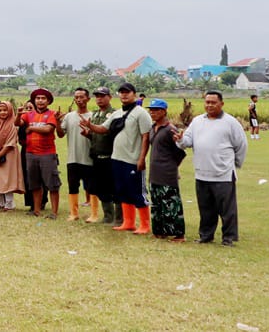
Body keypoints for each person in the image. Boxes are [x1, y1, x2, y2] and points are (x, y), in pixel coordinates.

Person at [175, 90, 248, 246]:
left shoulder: (230, 122)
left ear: (221, 104)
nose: (209, 105)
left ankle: (228, 238)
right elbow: (187, 141)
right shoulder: (197, 121)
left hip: (223, 174)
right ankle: (206, 236)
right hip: (202, 172)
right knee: (206, 208)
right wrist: (180, 140)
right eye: (207, 102)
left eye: (213, 102)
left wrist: (234, 164)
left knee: (227, 209)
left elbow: (241, 145)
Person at [86, 82, 152, 234]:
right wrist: (90, 126)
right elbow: (103, 129)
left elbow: (146, 137)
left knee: (137, 192)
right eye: (121, 92)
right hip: (116, 159)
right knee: (122, 191)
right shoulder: (117, 114)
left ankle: (145, 225)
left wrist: (141, 158)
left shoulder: (141, 113)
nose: (124, 95)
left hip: (133, 160)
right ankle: (128, 222)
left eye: (127, 92)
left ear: (134, 94)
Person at [146, 99, 186, 241]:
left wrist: (172, 166)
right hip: (154, 172)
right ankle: (159, 231)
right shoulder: (153, 128)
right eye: (151, 110)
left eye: (156, 110)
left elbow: (180, 152)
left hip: (167, 172)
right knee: (157, 204)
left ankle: (178, 234)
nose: (152, 113)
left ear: (164, 111)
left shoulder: (170, 130)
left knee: (171, 204)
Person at [18, 88, 61, 219]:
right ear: (34, 100)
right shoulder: (28, 114)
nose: (40, 101)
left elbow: (48, 129)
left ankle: (54, 212)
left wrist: (31, 127)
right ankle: (36, 210)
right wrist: (18, 114)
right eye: (38, 98)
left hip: (47, 153)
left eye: (43, 98)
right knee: (34, 184)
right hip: (30, 153)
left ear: (48, 101)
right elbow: (18, 123)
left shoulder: (52, 114)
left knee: (52, 184)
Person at [81, 86, 118, 225]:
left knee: (114, 188)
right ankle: (108, 216)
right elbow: (96, 136)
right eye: (97, 96)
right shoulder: (95, 114)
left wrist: (91, 128)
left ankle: (119, 217)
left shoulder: (114, 114)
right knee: (101, 188)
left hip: (110, 157)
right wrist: (88, 134)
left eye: (102, 96)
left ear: (110, 97)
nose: (99, 99)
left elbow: (108, 133)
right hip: (96, 157)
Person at [56, 87, 94, 221]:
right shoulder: (69, 117)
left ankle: (94, 214)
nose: (79, 100)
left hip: (89, 158)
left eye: (82, 97)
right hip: (72, 158)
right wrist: (57, 122)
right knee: (73, 186)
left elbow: (98, 136)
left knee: (92, 187)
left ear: (88, 99)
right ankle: (74, 213)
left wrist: (89, 134)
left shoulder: (93, 116)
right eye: (76, 97)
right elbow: (60, 134)